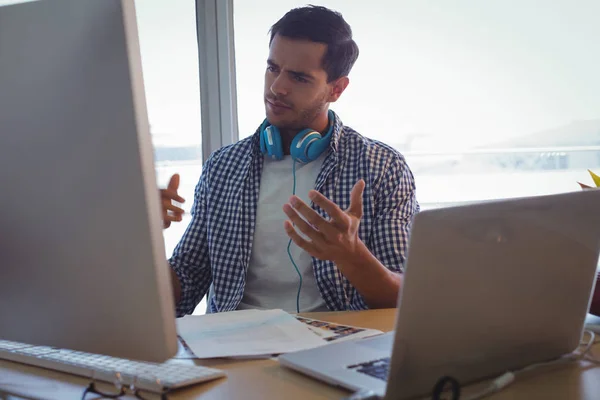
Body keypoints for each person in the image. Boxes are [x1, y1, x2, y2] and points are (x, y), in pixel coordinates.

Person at [161, 5, 419, 316]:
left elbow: (405, 299)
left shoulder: (382, 167)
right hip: (234, 345)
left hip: (337, 346)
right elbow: (184, 283)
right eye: (273, 68)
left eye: (298, 77)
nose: (276, 87)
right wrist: (140, 237)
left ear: (336, 89)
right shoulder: (223, 166)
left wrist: (353, 257)